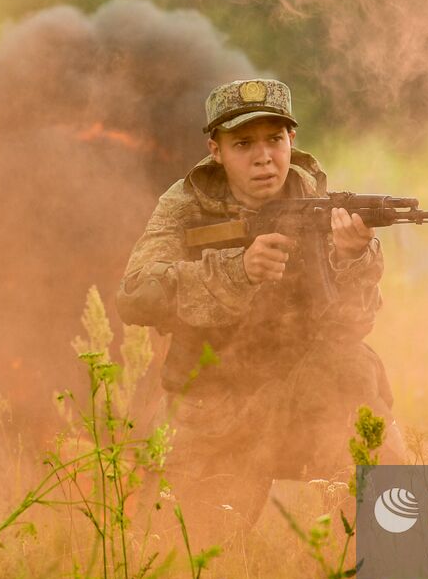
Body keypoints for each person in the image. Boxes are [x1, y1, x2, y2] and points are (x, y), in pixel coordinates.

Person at [116, 78, 405, 537]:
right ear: (216, 150)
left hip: (309, 395)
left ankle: (384, 564)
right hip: (216, 402)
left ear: (292, 140)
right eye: (243, 143)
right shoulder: (185, 204)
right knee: (178, 557)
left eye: (274, 139)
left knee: (355, 380)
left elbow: (354, 324)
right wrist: (238, 270)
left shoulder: (323, 208)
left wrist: (354, 259)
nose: (263, 157)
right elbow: (135, 295)